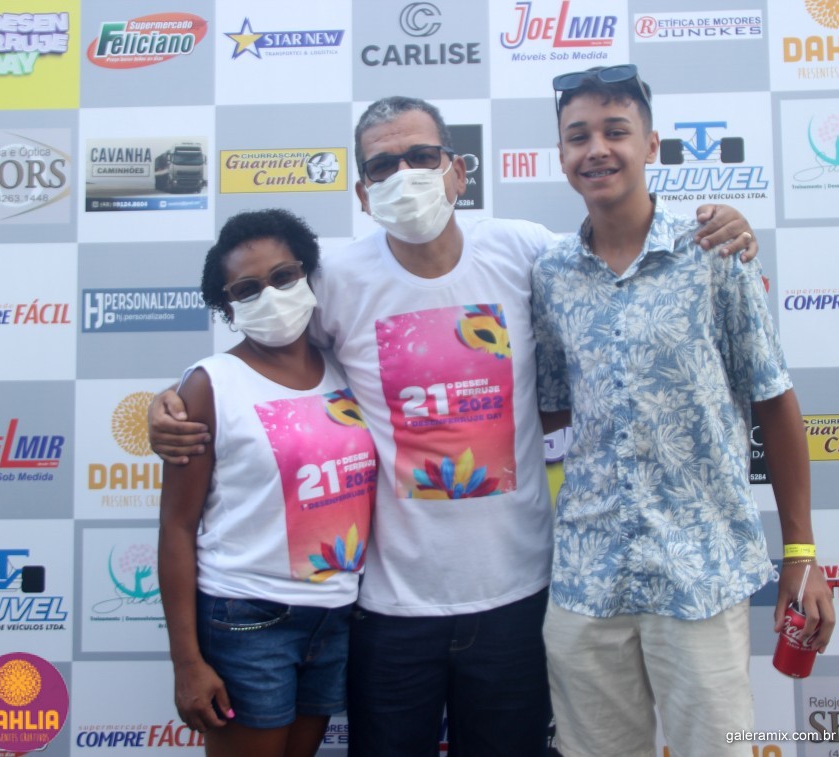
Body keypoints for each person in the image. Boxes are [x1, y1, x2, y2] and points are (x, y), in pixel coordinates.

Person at [150, 96, 759, 756]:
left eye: (422, 156)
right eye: (383, 165)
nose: (404, 174)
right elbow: (270, 356)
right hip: (389, 608)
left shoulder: (526, 251)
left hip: (519, 597)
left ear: (458, 171)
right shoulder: (336, 282)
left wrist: (717, 225)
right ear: (362, 193)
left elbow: (616, 262)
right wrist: (177, 401)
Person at [530, 65, 836, 757]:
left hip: (699, 569)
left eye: (616, 131)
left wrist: (801, 553)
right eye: (578, 136)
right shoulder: (550, 274)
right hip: (587, 577)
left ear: (651, 145)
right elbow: (554, 412)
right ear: (562, 154)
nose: (596, 149)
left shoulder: (715, 251)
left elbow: (774, 399)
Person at [158, 209, 377, 757]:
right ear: (228, 306)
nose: (272, 295)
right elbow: (177, 527)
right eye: (248, 288)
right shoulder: (210, 385)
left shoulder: (347, 369)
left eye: (283, 276)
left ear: (307, 275)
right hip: (247, 617)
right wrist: (186, 662)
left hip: (335, 615)